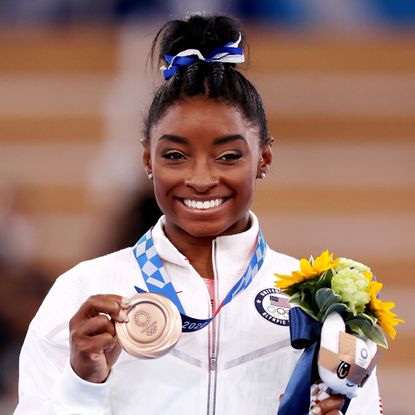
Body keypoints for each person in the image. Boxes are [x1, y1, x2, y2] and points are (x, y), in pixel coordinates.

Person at [14, 13, 381, 415]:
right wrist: (83, 385)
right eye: (175, 155)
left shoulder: (320, 308)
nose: (201, 178)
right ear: (147, 159)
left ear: (264, 158)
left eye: (227, 156)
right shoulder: (83, 291)